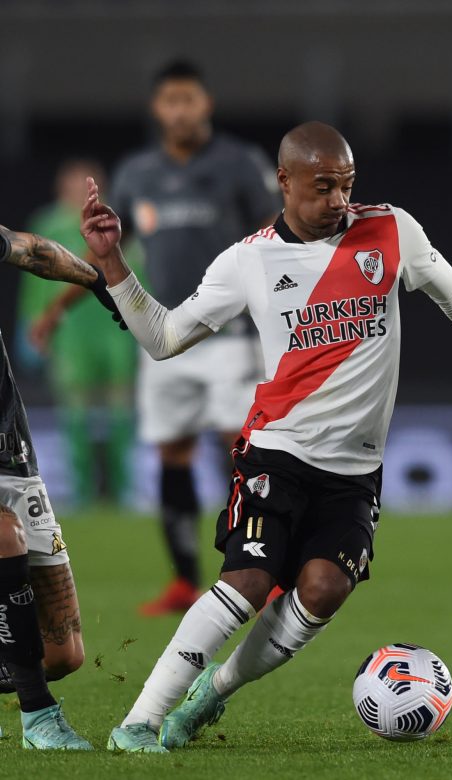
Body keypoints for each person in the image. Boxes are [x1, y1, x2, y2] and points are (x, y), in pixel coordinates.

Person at [82, 121, 452, 753]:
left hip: (355, 472)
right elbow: (163, 338)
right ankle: (142, 720)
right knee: (249, 581)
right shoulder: (249, 259)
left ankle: (213, 692)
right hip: (277, 451)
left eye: (346, 186)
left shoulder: (391, 230)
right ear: (283, 182)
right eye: (322, 188)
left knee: (323, 590)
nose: (338, 201)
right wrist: (111, 261)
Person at [41, 60, 281, 615]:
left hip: (231, 333)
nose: (179, 110)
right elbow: (106, 255)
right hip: (162, 332)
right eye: (170, 101)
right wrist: (58, 305)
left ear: (207, 104)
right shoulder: (136, 174)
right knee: (173, 453)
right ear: (157, 108)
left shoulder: (239, 165)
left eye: (189, 99)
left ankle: (259, 567)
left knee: (240, 448)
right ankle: (183, 580)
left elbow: (274, 241)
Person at [0, 222, 127, 749]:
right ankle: (39, 718)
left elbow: (31, 249)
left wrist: (97, 279)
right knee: (3, 537)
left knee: (63, 653)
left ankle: (33, 689)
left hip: (10, 446)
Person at [20, 159, 137, 508]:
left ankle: (121, 494)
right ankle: (83, 495)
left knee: (121, 416)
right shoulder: (47, 223)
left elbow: (140, 270)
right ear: (61, 187)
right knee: (75, 418)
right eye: (73, 183)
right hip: (71, 336)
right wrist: (32, 325)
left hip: (115, 332)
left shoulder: (114, 222)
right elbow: (32, 279)